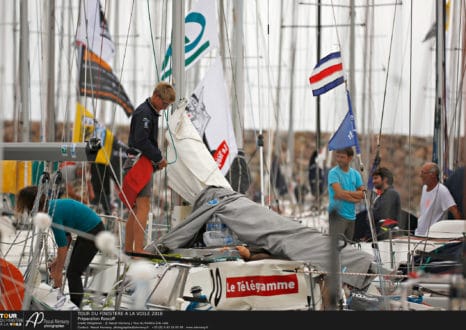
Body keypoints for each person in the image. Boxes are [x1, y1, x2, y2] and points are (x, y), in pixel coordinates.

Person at [15, 185, 105, 308]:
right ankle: (74, 305)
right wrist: (57, 262)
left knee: (73, 273)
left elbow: (62, 247)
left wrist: (58, 274)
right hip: (90, 230)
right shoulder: (51, 207)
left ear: (32, 206)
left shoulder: (52, 214)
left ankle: (75, 308)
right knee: (72, 271)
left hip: (93, 232)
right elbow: (66, 238)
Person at [123, 82, 176, 255]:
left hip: (136, 163)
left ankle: (129, 248)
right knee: (143, 207)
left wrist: (155, 160)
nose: (165, 108)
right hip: (138, 164)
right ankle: (138, 249)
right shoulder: (145, 113)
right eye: (165, 104)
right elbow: (141, 141)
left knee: (136, 209)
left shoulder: (147, 112)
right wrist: (159, 158)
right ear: (156, 97)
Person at [327, 147, 366, 241]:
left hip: (352, 216)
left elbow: (364, 194)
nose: (339, 159)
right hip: (337, 215)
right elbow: (339, 194)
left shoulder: (355, 174)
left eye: (342, 157)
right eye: (337, 157)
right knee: (336, 248)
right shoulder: (333, 173)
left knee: (348, 249)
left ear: (350, 158)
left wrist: (346, 193)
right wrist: (356, 199)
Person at [414, 162, 462, 236]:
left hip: (432, 237)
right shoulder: (424, 188)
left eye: (423, 173)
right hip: (419, 234)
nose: (420, 175)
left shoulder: (442, 190)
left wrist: (461, 233)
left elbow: (455, 211)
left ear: (432, 175)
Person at [370, 167, 401, 240]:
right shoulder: (379, 197)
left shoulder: (391, 194)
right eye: (373, 179)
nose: (373, 181)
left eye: (376, 178)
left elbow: (383, 216)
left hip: (385, 239)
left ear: (385, 179)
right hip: (378, 237)